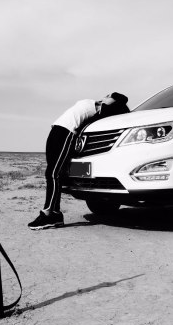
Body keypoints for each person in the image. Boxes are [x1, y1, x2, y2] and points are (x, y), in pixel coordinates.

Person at [28, 92, 129, 230]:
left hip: (66, 133)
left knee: (53, 173)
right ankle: (56, 214)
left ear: (113, 103)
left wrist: (116, 100)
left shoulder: (102, 110)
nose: (107, 94)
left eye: (110, 96)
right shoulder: (95, 103)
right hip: (56, 130)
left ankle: (48, 214)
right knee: (51, 173)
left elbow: (123, 100)